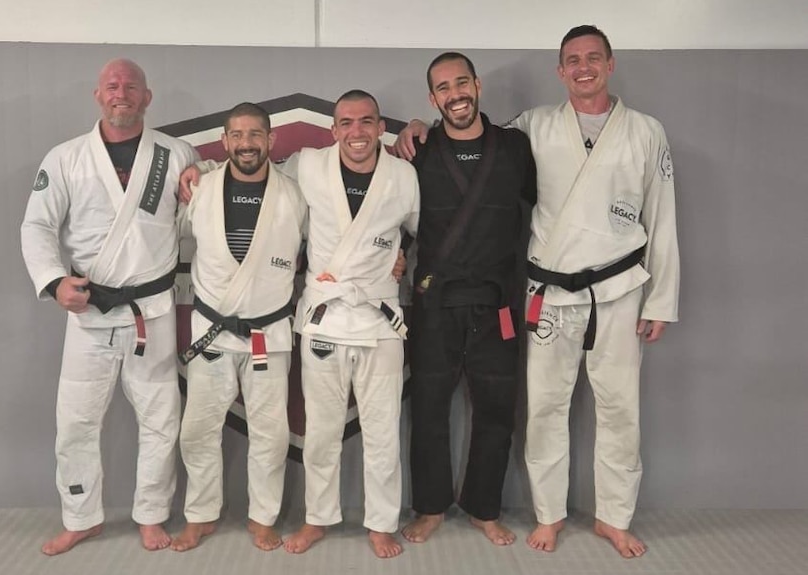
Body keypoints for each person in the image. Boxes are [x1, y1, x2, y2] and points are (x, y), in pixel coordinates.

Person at [397, 26, 680, 558]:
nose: (583, 67)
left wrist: (662, 298)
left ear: (610, 63)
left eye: (593, 58)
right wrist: (416, 127)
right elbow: (454, 162)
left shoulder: (644, 132)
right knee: (544, 408)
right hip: (548, 293)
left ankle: (614, 517)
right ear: (560, 71)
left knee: (620, 408)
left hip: (618, 289)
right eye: (572, 60)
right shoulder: (535, 128)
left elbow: (662, 218)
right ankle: (547, 514)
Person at [20, 58, 201, 555]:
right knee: (76, 420)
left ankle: (151, 514)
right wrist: (54, 282)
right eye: (112, 86)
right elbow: (36, 226)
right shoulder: (65, 158)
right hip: (89, 312)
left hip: (153, 310)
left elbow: (196, 214)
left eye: (132, 86)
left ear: (148, 96)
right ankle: (82, 516)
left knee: (160, 418)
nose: (122, 93)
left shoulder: (176, 152)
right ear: (98, 95)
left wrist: (199, 176)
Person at [395, 52, 537, 547]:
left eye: (462, 82)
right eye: (442, 88)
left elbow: (547, 213)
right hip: (435, 304)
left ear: (476, 85)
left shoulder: (517, 148)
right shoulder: (418, 150)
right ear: (432, 98)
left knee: (496, 411)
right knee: (429, 410)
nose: (455, 94)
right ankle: (431, 507)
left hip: (498, 302)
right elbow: (390, 211)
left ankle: (484, 508)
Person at [280, 90, 419, 559]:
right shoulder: (307, 165)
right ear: (333, 129)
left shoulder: (404, 176)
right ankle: (317, 518)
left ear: (382, 127)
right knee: (320, 430)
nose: (356, 132)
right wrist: (203, 174)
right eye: (346, 123)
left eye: (366, 122)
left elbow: (425, 232)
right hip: (325, 315)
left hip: (380, 319)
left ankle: (381, 523)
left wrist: (405, 257)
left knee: (383, 430)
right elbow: (258, 182)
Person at [170, 103, 307, 552]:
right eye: (237, 135)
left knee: (270, 432)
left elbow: (324, 246)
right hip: (212, 330)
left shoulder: (295, 193)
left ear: (271, 141)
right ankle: (201, 514)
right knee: (197, 430)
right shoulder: (201, 189)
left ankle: (262, 517)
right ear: (225, 141)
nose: (246, 143)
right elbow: (163, 240)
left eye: (255, 135)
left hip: (269, 332)